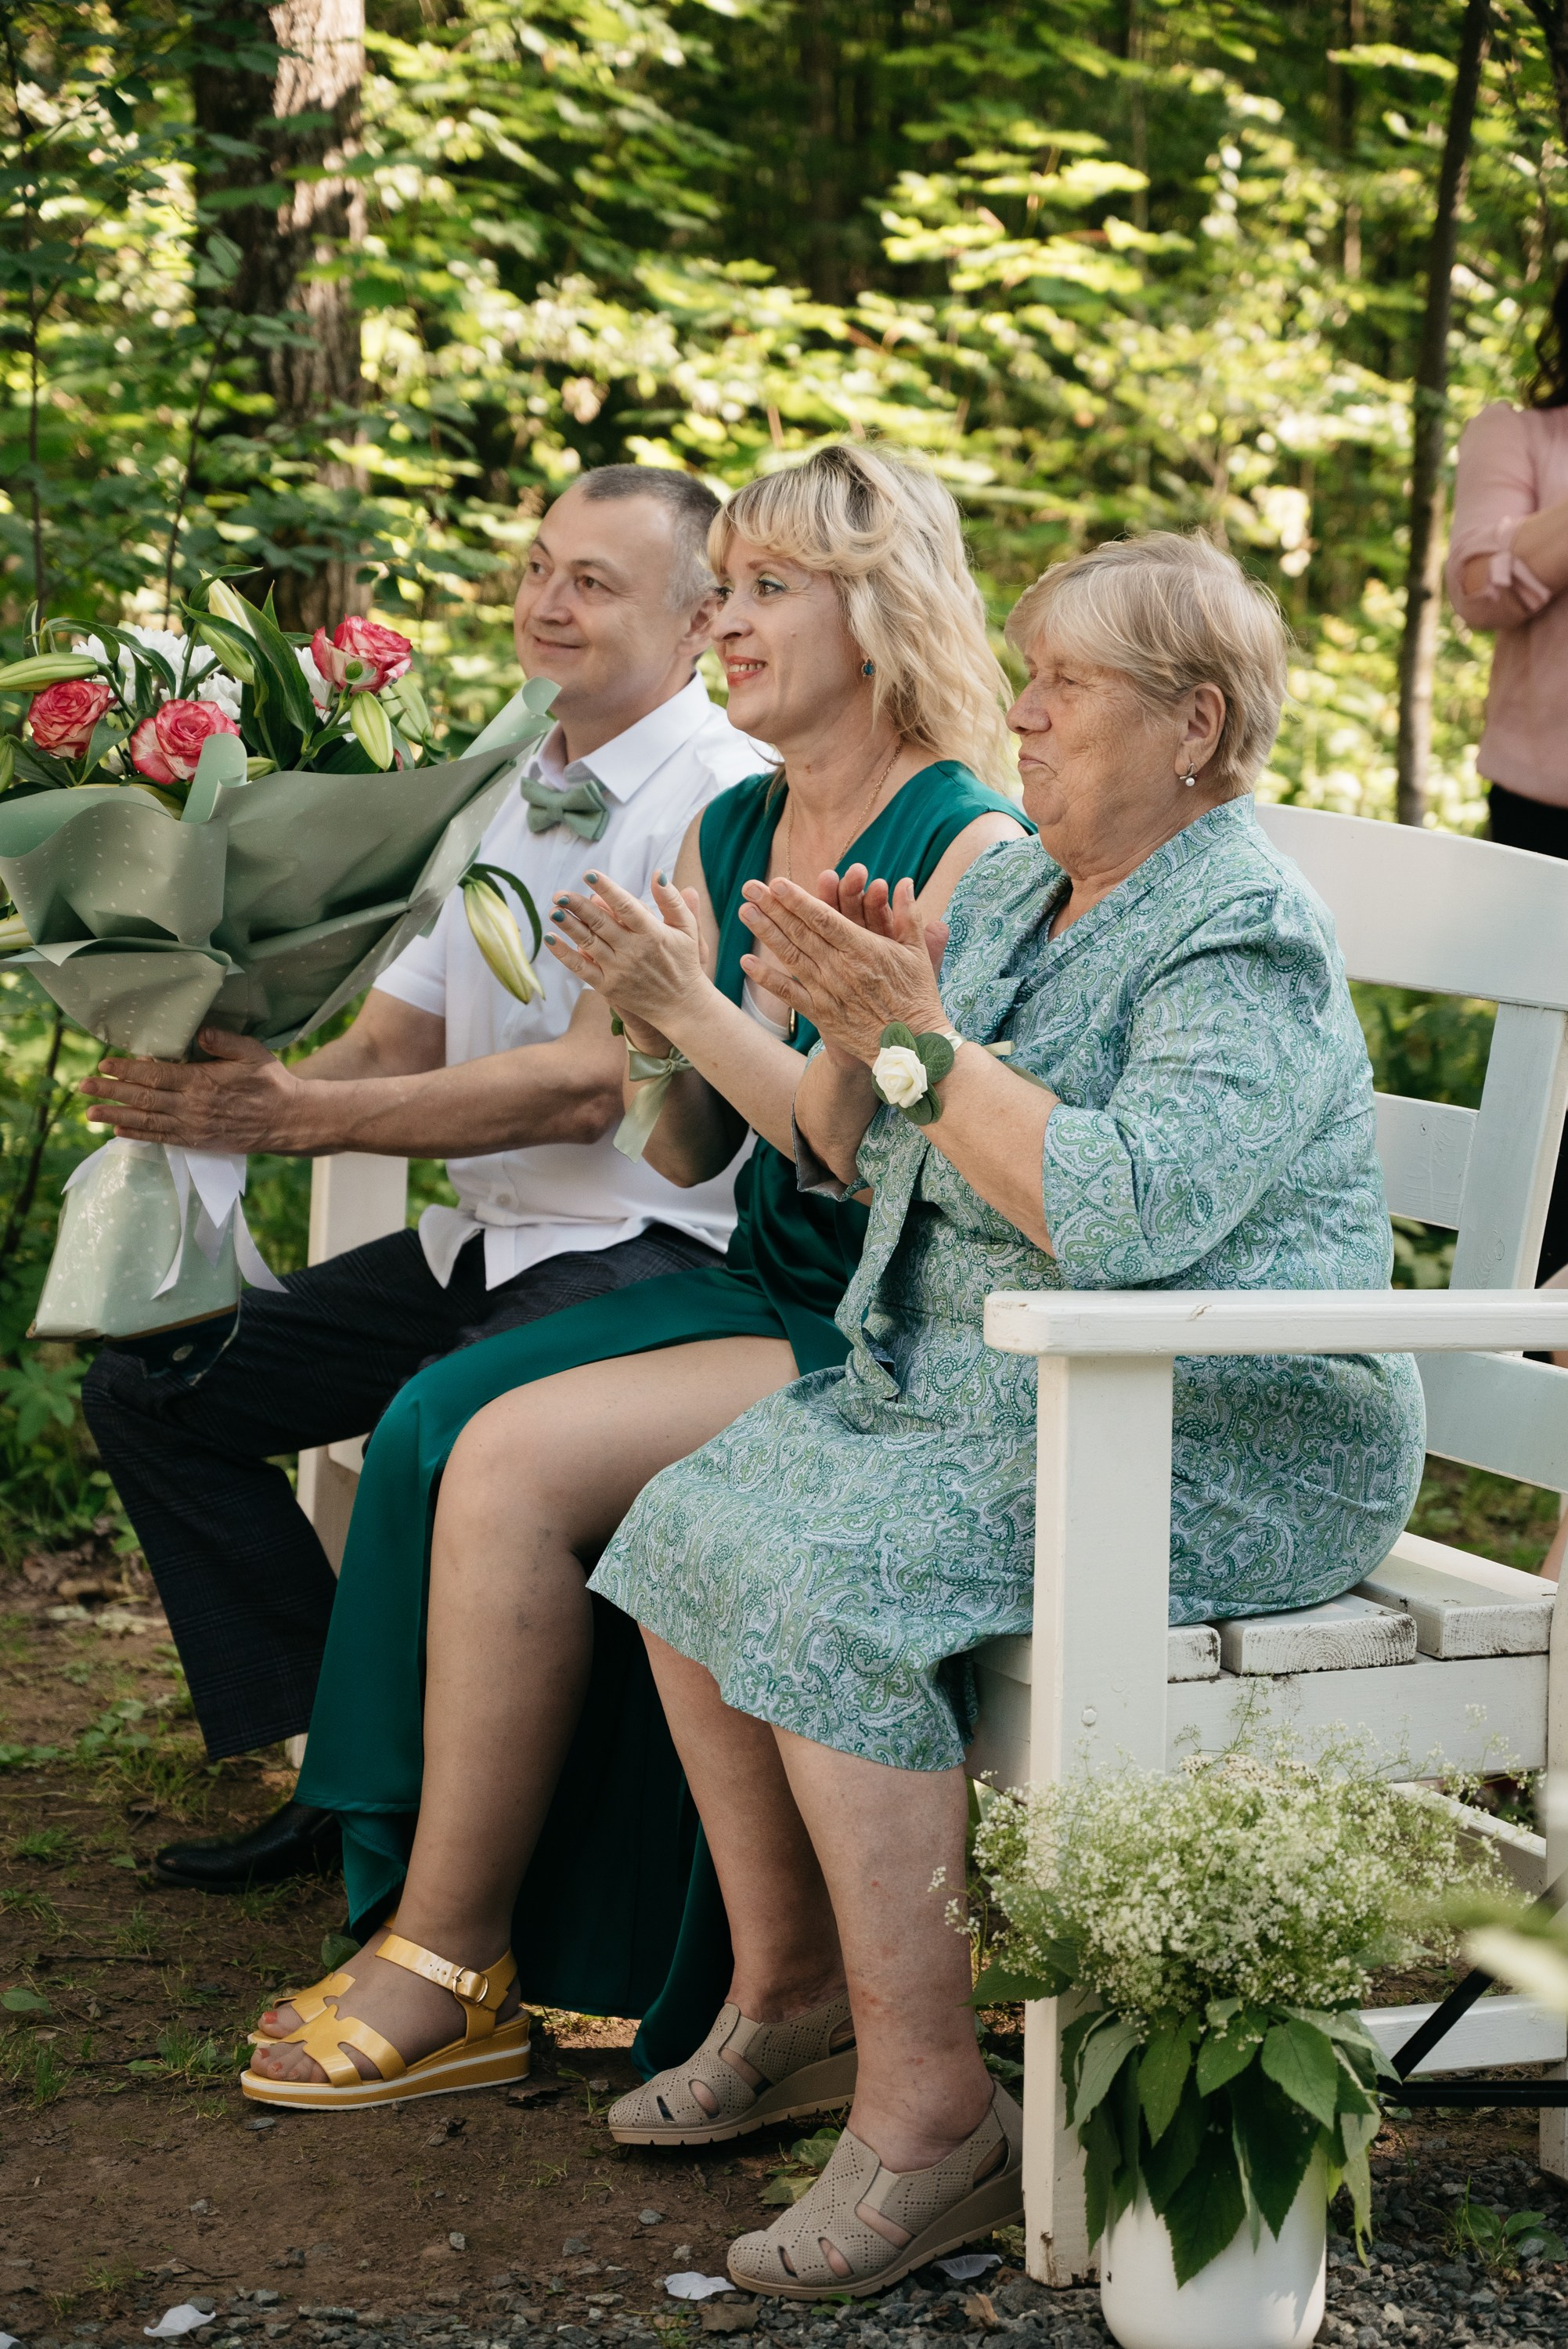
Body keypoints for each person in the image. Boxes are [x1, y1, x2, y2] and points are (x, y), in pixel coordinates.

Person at [585, 532, 1427, 2296]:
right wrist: (844, 1021)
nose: (1021, 717)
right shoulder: (1017, 891)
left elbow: (1123, 1209)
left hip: (1219, 1429)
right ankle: (797, 1991)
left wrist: (917, 1044)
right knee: (687, 1528)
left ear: (1194, 725)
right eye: (1027, 678)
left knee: (836, 1588)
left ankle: (929, 2118)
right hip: (984, 1391)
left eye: (1065, 687)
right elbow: (866, 1136)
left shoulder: (1243, 929)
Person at [238, 443, 1027, 2108]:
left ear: (876, 612)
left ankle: (451, 1960)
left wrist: (690, 1003)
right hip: (758, 1276)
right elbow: (689, 1157)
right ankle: (444, 1920)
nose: (727, 627)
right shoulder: (744, 811)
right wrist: (669, 1008)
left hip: (880, 1321)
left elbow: (848, 1159)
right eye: (723, 591)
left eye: (765, 592)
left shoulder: (965, 834)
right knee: (453, 1413)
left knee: (505, 1450)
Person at [78, 464, 766, 1891]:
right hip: (492, 1243)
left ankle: (444, 1838)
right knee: (153, 1382)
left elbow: (595, 1082)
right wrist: (215, 1097)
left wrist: (294, 1127)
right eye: (537, 566)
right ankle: (337, 1759)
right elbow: (396, 1035)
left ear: (703, 621)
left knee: (432, 1430)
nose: (546, 602)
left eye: (594, 581)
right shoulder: (513, 775)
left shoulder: (724, 797)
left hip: (660, 1257)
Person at [1448, 262, 1568, 1284]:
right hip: (1548, 806)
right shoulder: (1517, 436)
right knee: (1558, 1070)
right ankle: (1538, 1337)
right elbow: (1484, 588)